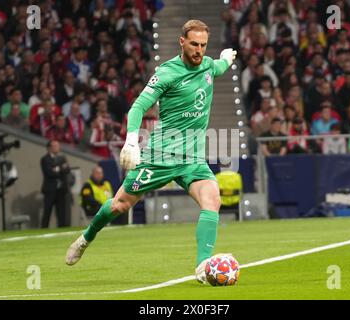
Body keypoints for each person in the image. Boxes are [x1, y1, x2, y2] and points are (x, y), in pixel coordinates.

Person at [65, 19, 237, 284]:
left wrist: (226, 57)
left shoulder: (207, 66)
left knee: (212, 200)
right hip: (161, 156)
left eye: (203, 45)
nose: (199, 50)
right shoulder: (167, 72)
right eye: (194, 44)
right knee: (120, 205)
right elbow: (138, 106)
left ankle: (203, 266)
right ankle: (86, 237)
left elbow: (219, 67)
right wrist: (132, 141)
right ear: (182, 42)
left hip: (193, 159)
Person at [40, 140, 71, 228]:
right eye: (55, 146)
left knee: (61, 212)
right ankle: (44, 228)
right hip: (50, 189)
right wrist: (61, 169)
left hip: (61, 189)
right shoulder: (45, 159)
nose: (57, 147)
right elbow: (49, 172)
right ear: (49, 147)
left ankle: (62, 229)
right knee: (47, 211)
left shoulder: (62, 158)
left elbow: (67, 169)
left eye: (58, 145)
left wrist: (57, 169)